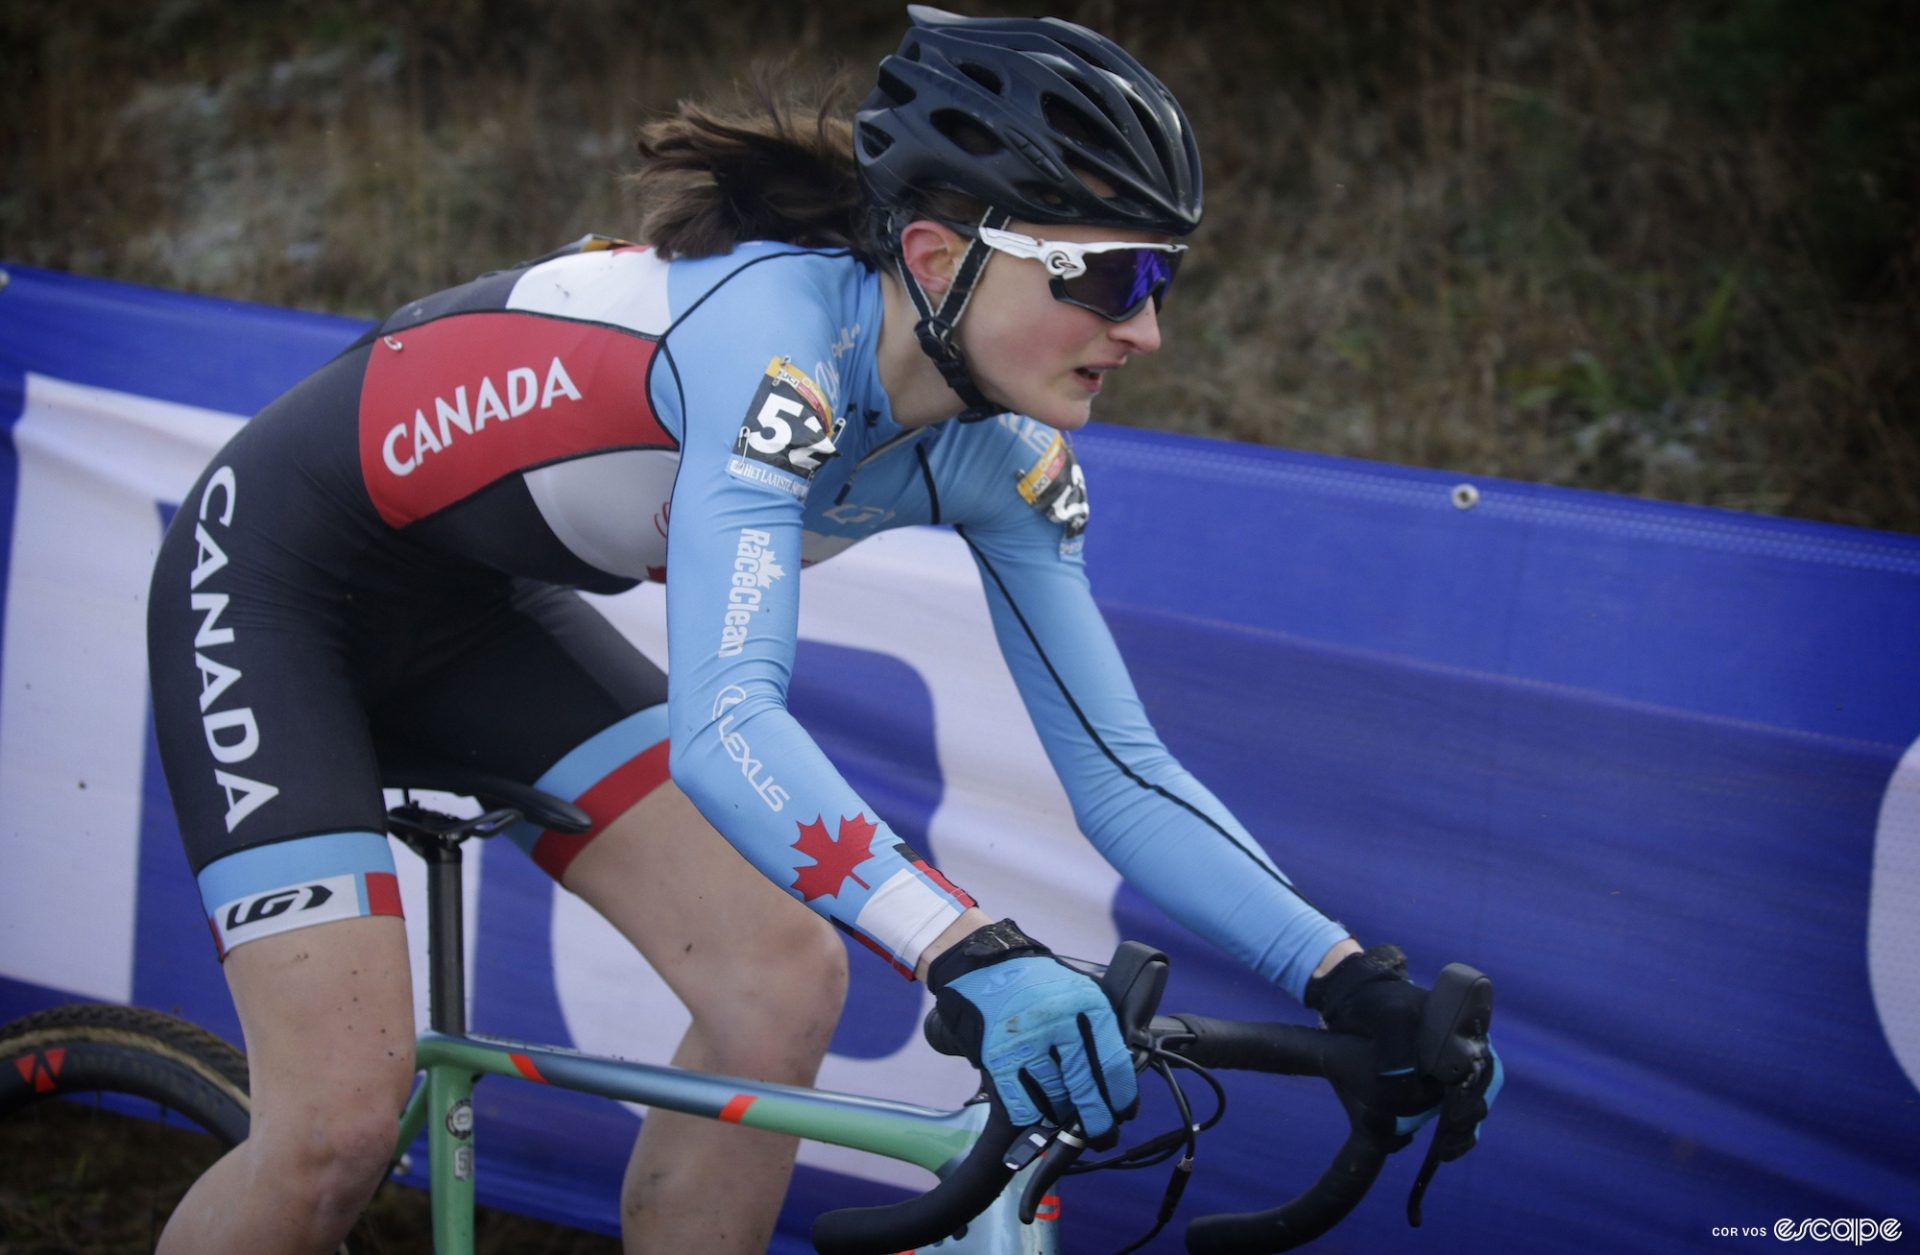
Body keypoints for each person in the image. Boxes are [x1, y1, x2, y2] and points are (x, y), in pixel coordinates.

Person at [146, 7, 1498, 1252]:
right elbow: (728, 721)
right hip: (278, 580)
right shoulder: (772, 341)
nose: (1144, 328)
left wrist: (1345, 978)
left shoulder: (999, 456)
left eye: (1165, 278)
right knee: (332, 1131)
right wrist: (966, 945)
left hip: (480, 607)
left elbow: (1125, 776)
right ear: (935, 256)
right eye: (1108, 274)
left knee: (780, 981)